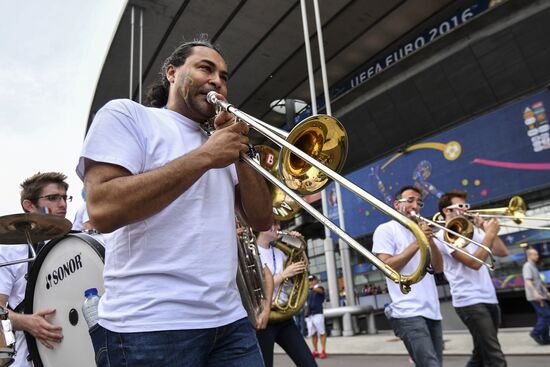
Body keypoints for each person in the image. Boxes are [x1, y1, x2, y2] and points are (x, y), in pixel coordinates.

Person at [76, 37, 272, 367]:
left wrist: (242, 152)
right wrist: (206, 156)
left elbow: (262, 219)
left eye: (224, 77)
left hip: (229, 323)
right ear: (171, 73)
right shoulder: (129, 116)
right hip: (148, 326)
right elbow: (103, 209)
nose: (217, 82)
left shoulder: (221, 144)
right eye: (205, 69)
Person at [0, 172, 70, 367]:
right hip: (26, 357)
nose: (62, 204)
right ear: (29, 205)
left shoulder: (73, 246)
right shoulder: (10, 250)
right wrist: (26, 322)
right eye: (53, 198)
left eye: (64, 197)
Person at [372, 185, 444, 367]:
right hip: (408, 311)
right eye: (410, 200)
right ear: (397, 205)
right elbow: (387, 266)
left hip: (432, 311)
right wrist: (418, 241)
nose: (416, 205)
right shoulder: (386, 229)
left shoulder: (421, 231)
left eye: (419, 202)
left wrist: (431, 242)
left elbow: (438, 268)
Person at [436, 190, 509, 366]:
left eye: (466, 206)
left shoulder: (474, 232)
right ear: (447, 211)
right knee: (495, 355)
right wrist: (490, 234)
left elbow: (502, 252)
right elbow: (474, 263)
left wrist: (487, 230)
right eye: (460, 206)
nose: (466, 210)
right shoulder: (444, 235)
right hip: (469, 300)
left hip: (489, 297)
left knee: (481, 352)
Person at [255, 223, 317, 367]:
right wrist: (284, 274)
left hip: (284, 318)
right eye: (274, 223)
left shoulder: (280, 252)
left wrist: (298, 246)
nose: (278, 226)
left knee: (308, 363)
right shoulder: (252, 252)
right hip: (264, 319)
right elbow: (257, 287)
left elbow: (302, 271)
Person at [522, 248, 550, 345]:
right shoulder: (527, 266)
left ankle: (546, 338)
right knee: (546, 315)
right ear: (529, 256)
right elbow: (528, 280)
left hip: (540, 295)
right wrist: (535, 293)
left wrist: (546, 292)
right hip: (535, 296)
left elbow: (539, 282)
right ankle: (535, 333)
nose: (537, 256)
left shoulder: (534, 266)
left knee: (543, 316)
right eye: (535, 254)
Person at [306, 274, 327, 359]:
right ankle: (315, 350)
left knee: (321, 332)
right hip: (309, 315)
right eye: (309, 280)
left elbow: (320, 291)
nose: (310, 282)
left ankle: (323, 351)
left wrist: (311, 288)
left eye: (312, 280)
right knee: (313, 334)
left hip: (318, 313)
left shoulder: (319, 287)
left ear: (315, 280)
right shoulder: (308, 291)